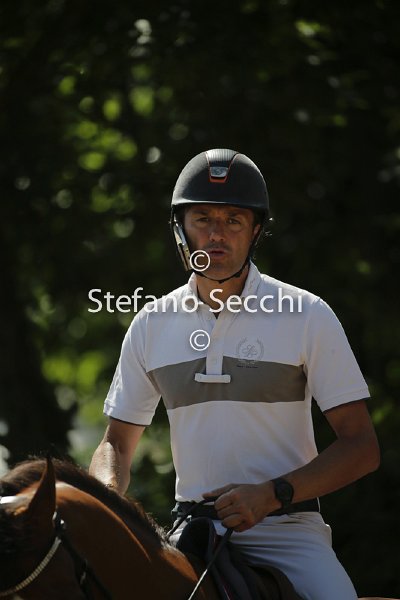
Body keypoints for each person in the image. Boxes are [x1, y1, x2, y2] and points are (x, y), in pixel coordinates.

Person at [89, 148, 380, 600]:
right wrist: (105, 497)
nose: (216, 235)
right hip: (191, 533)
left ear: (256, 230)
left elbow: (361, 446)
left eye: (233, 220)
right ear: (180, 229)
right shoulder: (150, 323)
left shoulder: (308, 315)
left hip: (288, 532)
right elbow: (116, 444)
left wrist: (273, 494)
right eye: (202, 219)